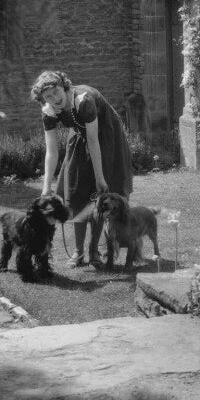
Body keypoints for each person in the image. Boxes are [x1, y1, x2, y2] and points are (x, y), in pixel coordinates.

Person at [30, 70, 133, 268]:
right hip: (79, 136)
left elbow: (94, 140)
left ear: (64, 86)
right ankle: (78, 252)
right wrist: (45, 187)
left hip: (107, 138)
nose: (54, 98)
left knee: (100, 195)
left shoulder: (84, 101)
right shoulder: (49, 112)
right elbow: (51, 151)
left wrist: (100, 177)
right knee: (75, 191)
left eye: (55, 92)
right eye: (48, 97)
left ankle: (94, 251)